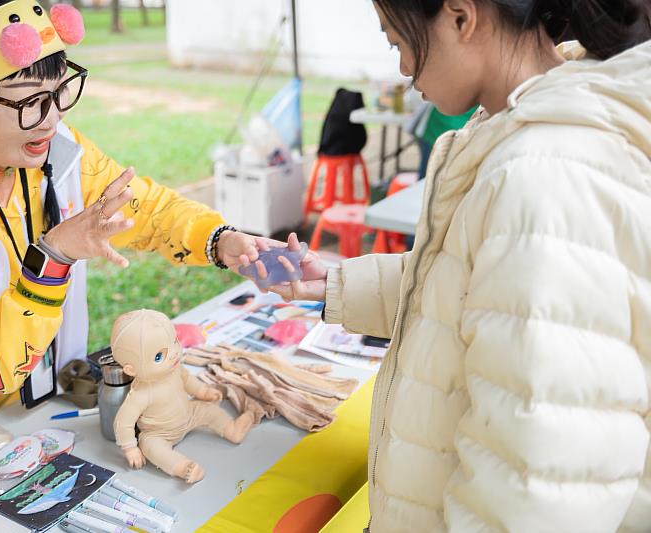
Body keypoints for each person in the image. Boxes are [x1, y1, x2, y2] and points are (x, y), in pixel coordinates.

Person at [264, 0, 651, 530]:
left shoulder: (543, 174)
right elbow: (471, 293)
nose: (402, 69)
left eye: (398, 42)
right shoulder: (518, 129)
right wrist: (333, 283)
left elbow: (536, 493)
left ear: (461, 17)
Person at [0, 0, 262, 463]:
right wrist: (54, 255)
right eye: (27, 101)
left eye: (58, 91)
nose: (50, 118)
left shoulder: (56, 150)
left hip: (36, 404)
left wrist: (220, 240)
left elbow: (140, 207)